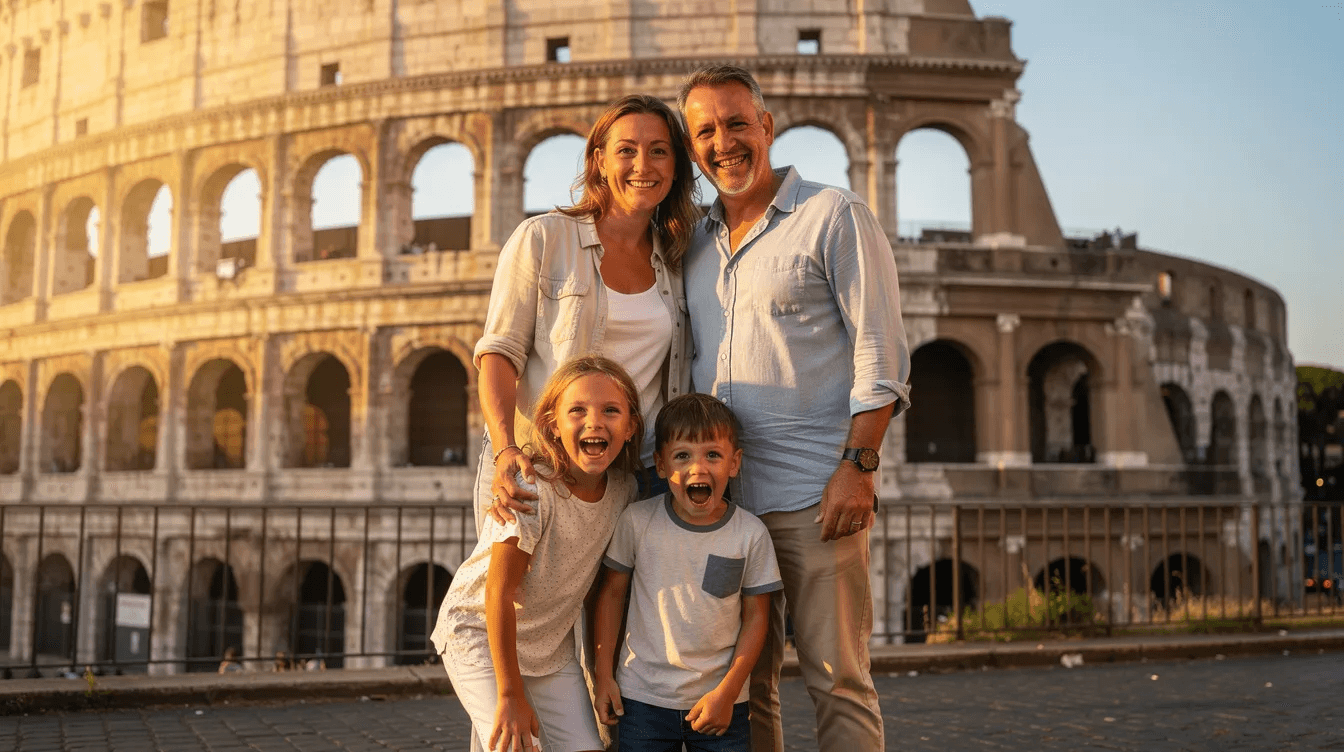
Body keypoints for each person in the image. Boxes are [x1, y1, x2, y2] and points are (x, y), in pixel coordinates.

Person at [676, 65, 912, 751]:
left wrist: (859, 466)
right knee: (741, 685)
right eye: (706, 132)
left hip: (815, 501)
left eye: (737, 124)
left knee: (838, 680)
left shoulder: (834, 215)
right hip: (722, 509)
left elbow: (881, 352)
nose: (724, 143)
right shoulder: (692, 243)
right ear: (693, 148)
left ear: (768, 126)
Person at [476, 94, 700, 528]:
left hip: (637, 476)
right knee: (519, 576)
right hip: (540, 465)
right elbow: (498, 354)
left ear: (676, 166)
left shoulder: (677, 258)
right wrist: (504, 448)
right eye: (626, 150)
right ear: (599, 160)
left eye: (659, 151)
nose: (643, 165)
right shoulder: (543, 238)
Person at [431, 356, 644, 752]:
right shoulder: (531, 491)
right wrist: (511, 695)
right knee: (516, 746)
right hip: (479, 633)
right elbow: (498, 593)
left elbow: (604, 591)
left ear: (631, 427)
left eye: (611, 411)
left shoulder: (625, 491)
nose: (595, 422)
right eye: (577, 410)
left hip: (549, 646)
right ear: (552, 424)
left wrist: (602, 675)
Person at [593, 393, 781, 751]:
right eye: (682, 456)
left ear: (734, 463)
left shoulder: (750, 534)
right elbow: (612, 596)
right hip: (642, 701)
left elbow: (757, 619)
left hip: (720, 702)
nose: (698, 468)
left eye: (713, 455)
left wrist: (728, 692)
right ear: (661, 465)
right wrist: (604, 675)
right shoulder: (636, 522)